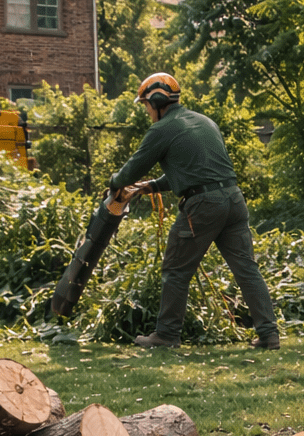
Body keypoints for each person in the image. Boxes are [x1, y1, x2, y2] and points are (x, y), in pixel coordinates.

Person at [108, 72, 280, 350]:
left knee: (176, 268)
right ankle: (269, 335)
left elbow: (133, 168)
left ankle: (166, 335)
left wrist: (115, 183)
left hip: (202, 206)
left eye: (145, 105)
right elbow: (197, 172)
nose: (146, 111)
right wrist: (151, 186)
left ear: (157, 101)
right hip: (233, 200)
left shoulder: (161, 129)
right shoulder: (204, 122)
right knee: (247, 269)